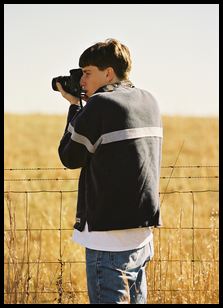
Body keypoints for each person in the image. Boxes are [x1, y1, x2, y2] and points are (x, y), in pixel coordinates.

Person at [56, 38, 163, 304]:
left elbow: (69, 156)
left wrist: (74, 106)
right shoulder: (149, 100)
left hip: (107, 239)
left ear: (109, 73)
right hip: (142, 234)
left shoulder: (101, 104)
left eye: (87, 73)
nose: (82, 81)